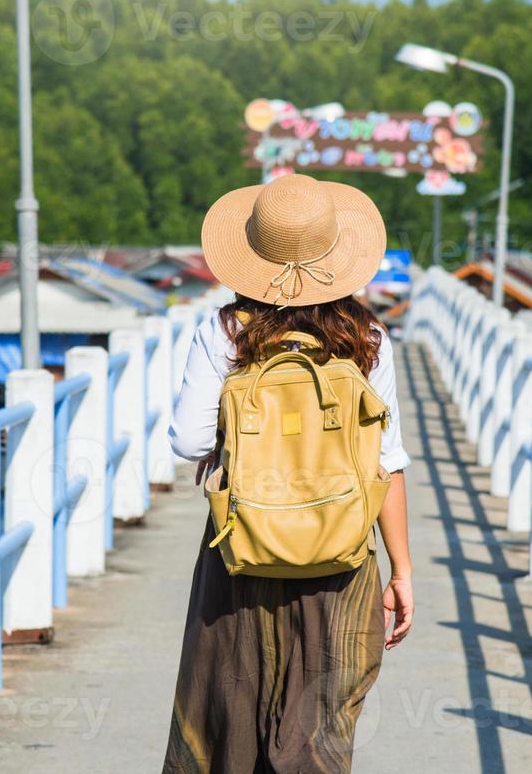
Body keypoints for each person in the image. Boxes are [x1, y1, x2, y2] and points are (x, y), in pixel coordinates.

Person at [163, 173, 414, 774]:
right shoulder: (369, 339)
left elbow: (189, 440)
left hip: (243, 546)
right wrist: (402, 571)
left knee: (230, 707)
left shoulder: (225, 331)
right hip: (343, 551)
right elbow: (388, 462)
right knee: (320, 722)